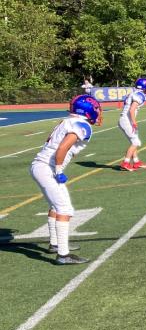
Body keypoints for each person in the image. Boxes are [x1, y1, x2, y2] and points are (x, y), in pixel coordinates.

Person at [30, 95, 102, 264]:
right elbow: (62, 148)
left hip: (40, 166)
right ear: (87, 109)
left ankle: (55, 244)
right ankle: (63, 255)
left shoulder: (67, 121)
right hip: (47, 168)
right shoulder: (82, 125)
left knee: (56, 205)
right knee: (65, 208)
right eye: (96, 109)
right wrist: (59, 169)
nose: (98, 112)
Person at [120, 77, 146, 171]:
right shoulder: (140, 95)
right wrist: (134, 122)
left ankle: (136, 162)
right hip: (126, 120)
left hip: (126, 119)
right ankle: (125, 162)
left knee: (135, 141)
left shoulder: (135, 93)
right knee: (136, 142)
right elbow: (132, 109)